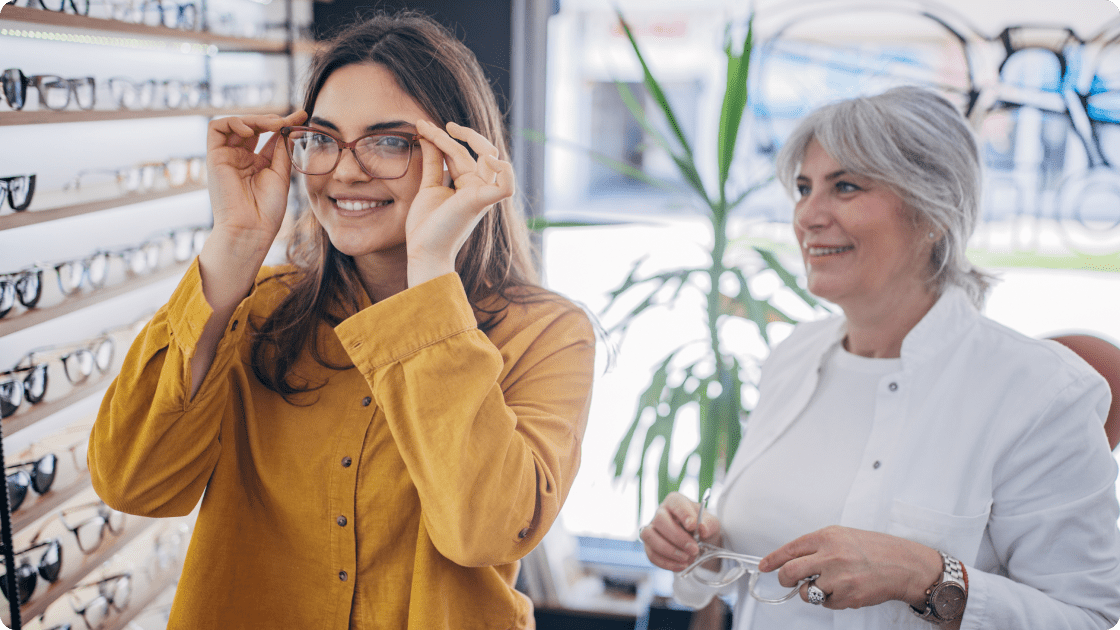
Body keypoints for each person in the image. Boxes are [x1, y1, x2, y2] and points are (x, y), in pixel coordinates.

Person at [87, 11, 596, 629]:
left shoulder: (547, 333)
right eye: (323, 139)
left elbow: (483, 531)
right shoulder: (259, 309)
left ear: (459, 157)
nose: (345, 170)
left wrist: (430, 269)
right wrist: (236, 242)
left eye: (389, 142)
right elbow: (130, 481)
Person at [639, 86, 1120, 629]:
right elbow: (741, 571)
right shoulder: (794, 357)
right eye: (803, 187)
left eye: (844, 186)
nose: (808, 216)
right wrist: (699, 546)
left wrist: (927, 576)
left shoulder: (1040, 393)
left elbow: (1095, 620)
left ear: (932, 208)